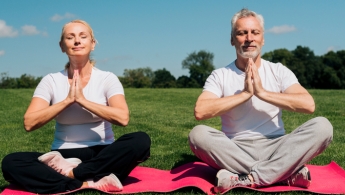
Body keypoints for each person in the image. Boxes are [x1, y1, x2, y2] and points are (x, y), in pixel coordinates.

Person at [188, 8, 333, 193]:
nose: (249, 38)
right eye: (242, 33)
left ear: (263, 38)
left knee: (323, 126)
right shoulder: (220, 75)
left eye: (255, 32)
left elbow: (308, 104)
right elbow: (200, 111)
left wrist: (262, 92)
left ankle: (248, 178)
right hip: (235, 149)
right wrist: (245, 95)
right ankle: (284, 173)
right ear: (232, 39)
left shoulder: (279, 71)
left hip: (277, 147)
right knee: (197, 135)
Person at [1, 20, 151, 194]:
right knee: (11, 162)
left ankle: (71, 176)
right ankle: (88, 182)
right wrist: (66, 101)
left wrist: (82, 100)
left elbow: (123, 118)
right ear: (62, 46)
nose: (77, 41)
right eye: (70, 37)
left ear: (92, 44)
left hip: (103, 154)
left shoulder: (107, 79)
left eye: (83, 36)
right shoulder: (51, 81)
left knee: (140, 140)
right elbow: (29, 122)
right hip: (63, 157)